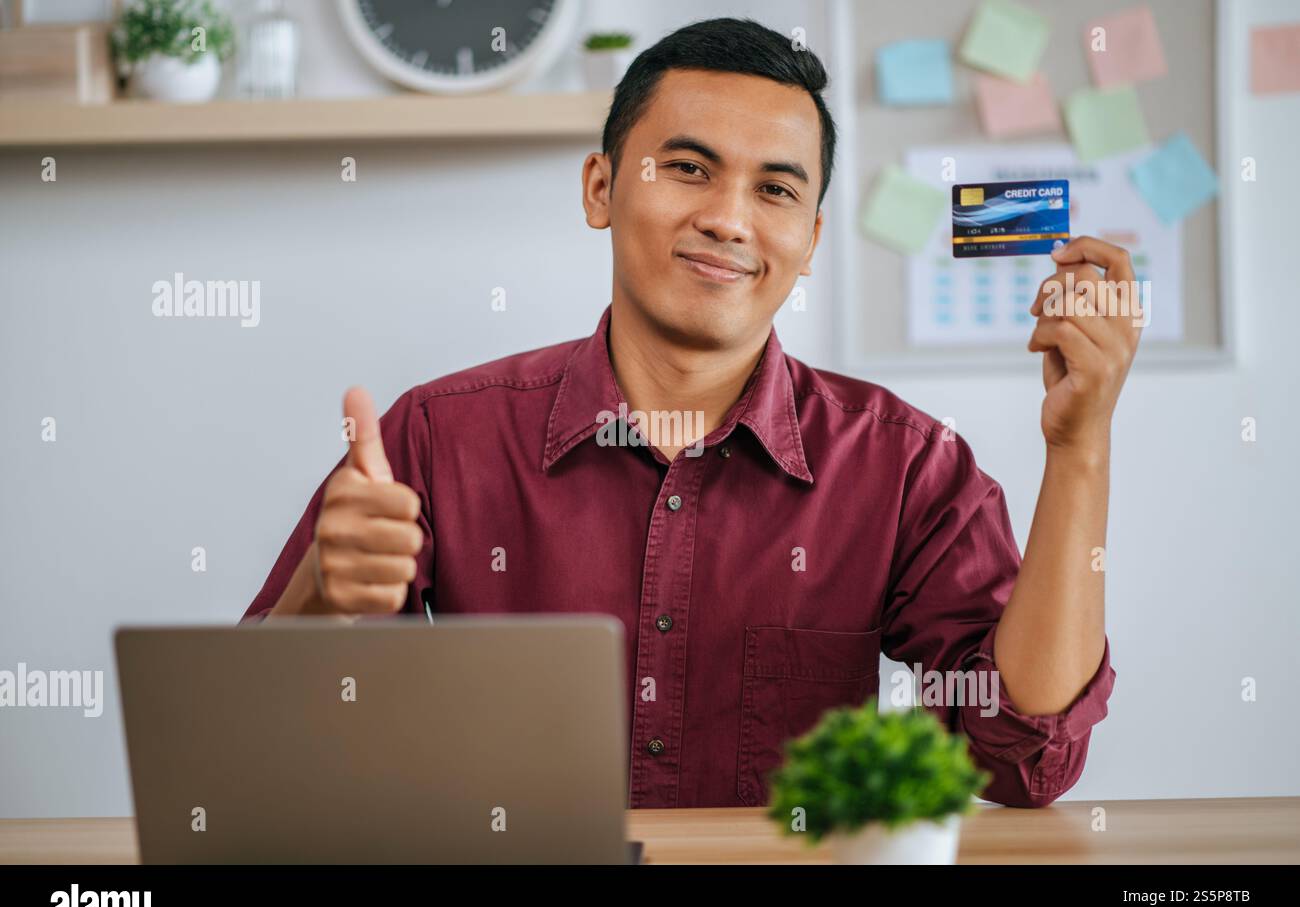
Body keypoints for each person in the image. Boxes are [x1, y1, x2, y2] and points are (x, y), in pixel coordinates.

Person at [245, 18, 1138, 810]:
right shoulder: (438, 437)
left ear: (811, 241)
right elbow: (261, 752)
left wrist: (1080, 446)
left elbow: (1022, 765)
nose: (728, 219)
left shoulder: (904, 467)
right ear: (600, 188)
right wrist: (322, 594)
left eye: (776, 190)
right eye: (687, 169)